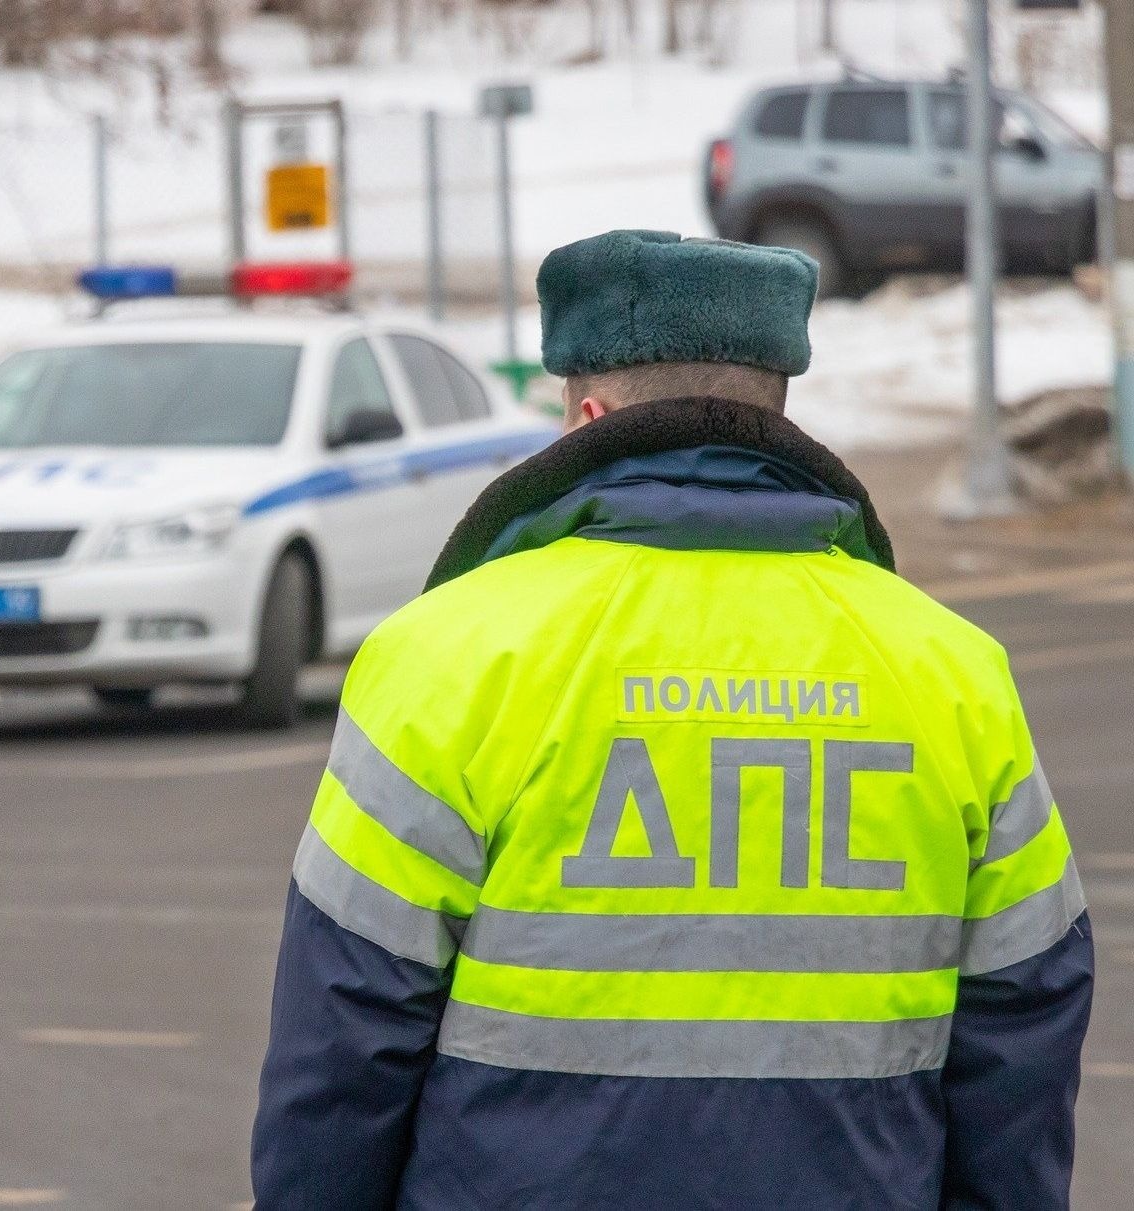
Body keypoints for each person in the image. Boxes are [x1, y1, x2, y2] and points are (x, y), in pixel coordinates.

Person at [251, 230, 1092, 1208]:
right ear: (774, 410)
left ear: (589, 414)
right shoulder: (953, 673)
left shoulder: (445, 655)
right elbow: (1025, 1020)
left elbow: (342, 1039)